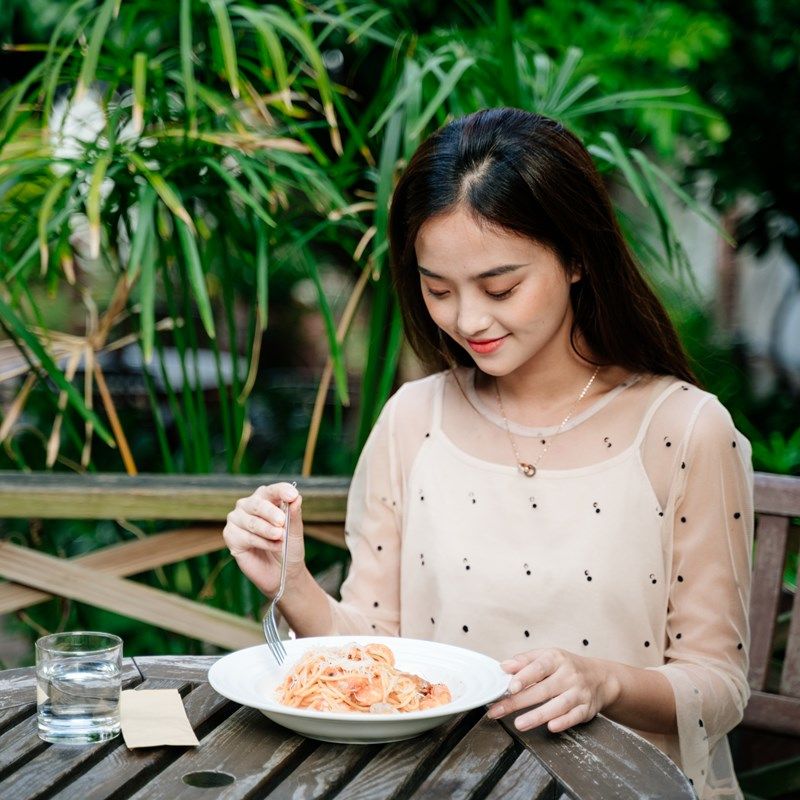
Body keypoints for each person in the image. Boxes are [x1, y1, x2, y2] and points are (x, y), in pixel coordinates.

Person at [223, 108, 753, 800]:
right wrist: (288, 579)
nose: (467, 319)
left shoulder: (684, 429)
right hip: (437, 784)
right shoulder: (413, 418)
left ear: (577, 259)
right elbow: (376, 644)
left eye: (500, 287)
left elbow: (720, 685)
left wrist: (606, 682)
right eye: (437, 289)